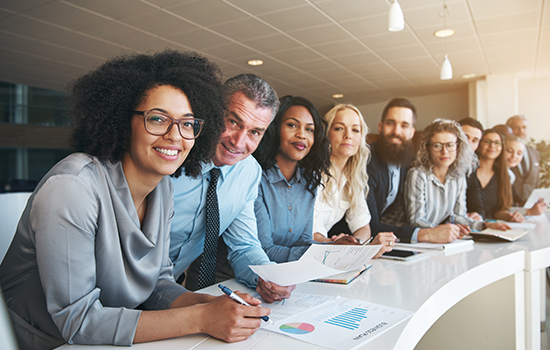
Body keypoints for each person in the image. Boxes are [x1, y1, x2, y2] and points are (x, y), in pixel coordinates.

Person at [0, 51, 270, 349]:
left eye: (187, 124)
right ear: (121, 119)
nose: (175, 136)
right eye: (157, 119)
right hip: (41, 341)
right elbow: (76, 320)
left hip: (109, 336)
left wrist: (210, 305)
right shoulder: (73, 187)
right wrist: (201, 318)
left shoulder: (162, 188)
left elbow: (156, 284)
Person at [169, 74, 295, 303]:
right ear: (214, 112)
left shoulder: (248, 172)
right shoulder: (172, 155)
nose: (238, 142)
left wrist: (267, 276)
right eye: (233, 122)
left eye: (254, 132)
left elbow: (244, 245)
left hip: (170, 289)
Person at [253, 95, 360, 262]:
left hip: (290, 274)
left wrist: (336, 247)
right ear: (275, 129)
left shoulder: (309, 181)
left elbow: (303, 242)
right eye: (292, 125)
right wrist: (326, 253)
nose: (301, 135)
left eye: (309, 129)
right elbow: (264, 250)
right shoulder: (256, 179)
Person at [313, 104, 398, 251]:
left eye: (355, 130)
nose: (348, 135)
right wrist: (341, 246)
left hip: (328, 252)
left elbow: (363, 227)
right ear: (326, 134)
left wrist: (355, 242)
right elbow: (311, 233)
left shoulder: (353, 177)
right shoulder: (313, 174)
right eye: (339, 128)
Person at [404, 119, 510, 232]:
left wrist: (484, 225)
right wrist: (445, 230)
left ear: (458, 147)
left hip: (442, 240)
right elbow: (416, 220)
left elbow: (459, 217)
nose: (444, 152)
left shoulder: (459, 176)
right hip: (417, 241)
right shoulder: (417, 174)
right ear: (427, 148)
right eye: (437, 146)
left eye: (450, 145)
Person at [466, 129, 525, 221]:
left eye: (497, 143)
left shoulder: (503, 176)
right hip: (465, 228)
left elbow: (497, 211)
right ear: (478, 145)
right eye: (487, 141)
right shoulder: (468, 172)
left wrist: (510, 216)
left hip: (491, 228)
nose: (492, 146)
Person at [504, 134, 547, 215]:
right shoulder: (497, 175)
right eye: (509, 151)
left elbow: (518, 201)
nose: (514, 156)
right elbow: (497, 210)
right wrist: (528, 211)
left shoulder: (510, 175)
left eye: (519, 153)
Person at [506, 115, 541, 206]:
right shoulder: (503, 152)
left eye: (524, 127)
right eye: (516, 128)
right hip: (508, 205)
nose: (521, 131)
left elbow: (536, 183)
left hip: (530, 206)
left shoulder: (535, 153)